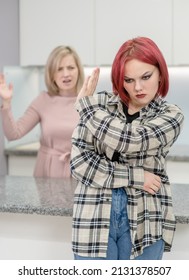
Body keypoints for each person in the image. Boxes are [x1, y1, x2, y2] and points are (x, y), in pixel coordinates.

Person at [70, 37, 184, 260]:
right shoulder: (100, 105)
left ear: (160, 73)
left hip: (145, 220)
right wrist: (136, 176)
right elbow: (79, 163)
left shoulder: (171, 115)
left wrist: (85, 106)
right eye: (128, 80)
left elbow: (132, 140)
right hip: (93, 217)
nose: (138, 87)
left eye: (146, 77)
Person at [0, 46, 84, 178]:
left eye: (71, 68)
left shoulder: (89, 101)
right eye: (59, 69)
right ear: (51, 74)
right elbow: (13, 134)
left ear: (78, 70)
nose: (66, 74)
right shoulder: (43, 100)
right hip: (47, 171)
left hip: (81, 171)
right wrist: (6, 102)